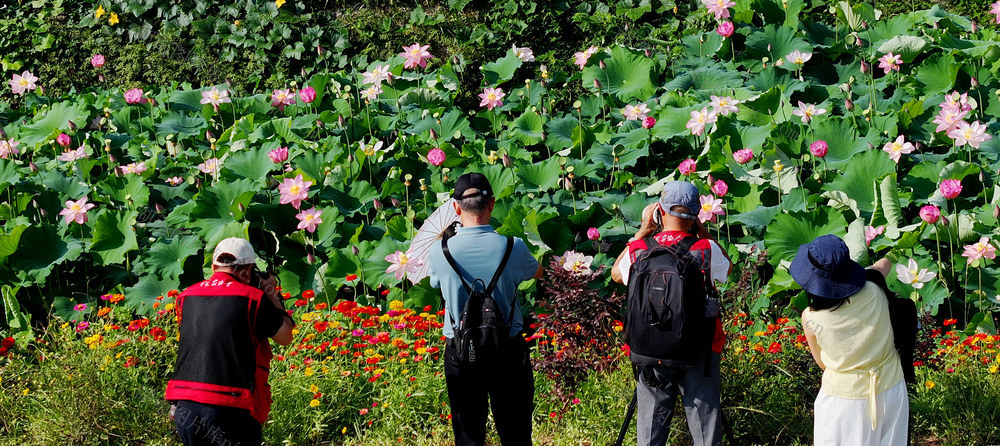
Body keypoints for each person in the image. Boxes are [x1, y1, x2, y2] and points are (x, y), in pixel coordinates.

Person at [610, 180, 732, 446]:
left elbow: (616, 274)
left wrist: (643, 231)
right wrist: (702, 232)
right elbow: (728, 267)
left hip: (650, 350)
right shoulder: (705, 249)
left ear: (660, 210)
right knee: (705, 433)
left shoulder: (640, 250)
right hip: (698, 350)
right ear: (695, 215)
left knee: (651, 433)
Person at [427, 172, 543, 446]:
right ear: (491, 204)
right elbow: (537, 272)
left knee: (468, 436)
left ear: (456, 208)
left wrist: (448, 240)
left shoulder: (439, 251)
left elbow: (435, 282)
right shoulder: (514, 247)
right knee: (516, 436)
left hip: (461, 350)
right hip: (507, 350)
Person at [164, 237, 294, 446]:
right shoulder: (252, 297)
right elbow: (285, 337)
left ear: (214, 267)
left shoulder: (186, 296)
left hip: (185, 405)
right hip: (229, 407)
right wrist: (272, 293)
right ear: (247, 271)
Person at [792, 235, 908, 445]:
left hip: (845, 400)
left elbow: (822, 363)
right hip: (891, 388)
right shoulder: (874, 287)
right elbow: (885, 263)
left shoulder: (811, 318)